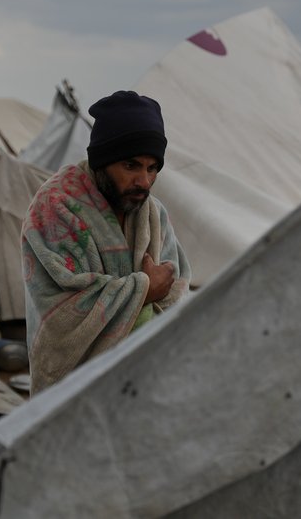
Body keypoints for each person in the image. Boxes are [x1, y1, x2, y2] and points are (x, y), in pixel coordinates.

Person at [22, 90, 192, 392]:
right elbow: (63, 315)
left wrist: (151, 292)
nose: (143, 181)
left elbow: (176, 290)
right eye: (131, 166)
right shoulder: (55, 209)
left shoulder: (153, 214)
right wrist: (145, 289)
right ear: (102, 161)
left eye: (152, 168)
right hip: (73, 394)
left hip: (147, 383)